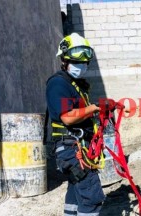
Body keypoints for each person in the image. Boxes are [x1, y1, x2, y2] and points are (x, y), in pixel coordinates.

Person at [46, 33, 105, 215]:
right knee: (92, 198)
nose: (82, 65)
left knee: (75, 194)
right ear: (64, 59)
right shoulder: (58, 83)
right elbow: (67, 117)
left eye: (84, 62)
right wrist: (94, 108)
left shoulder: (75, 84)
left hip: (76, 146)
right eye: (77, 62)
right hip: (71, 148)